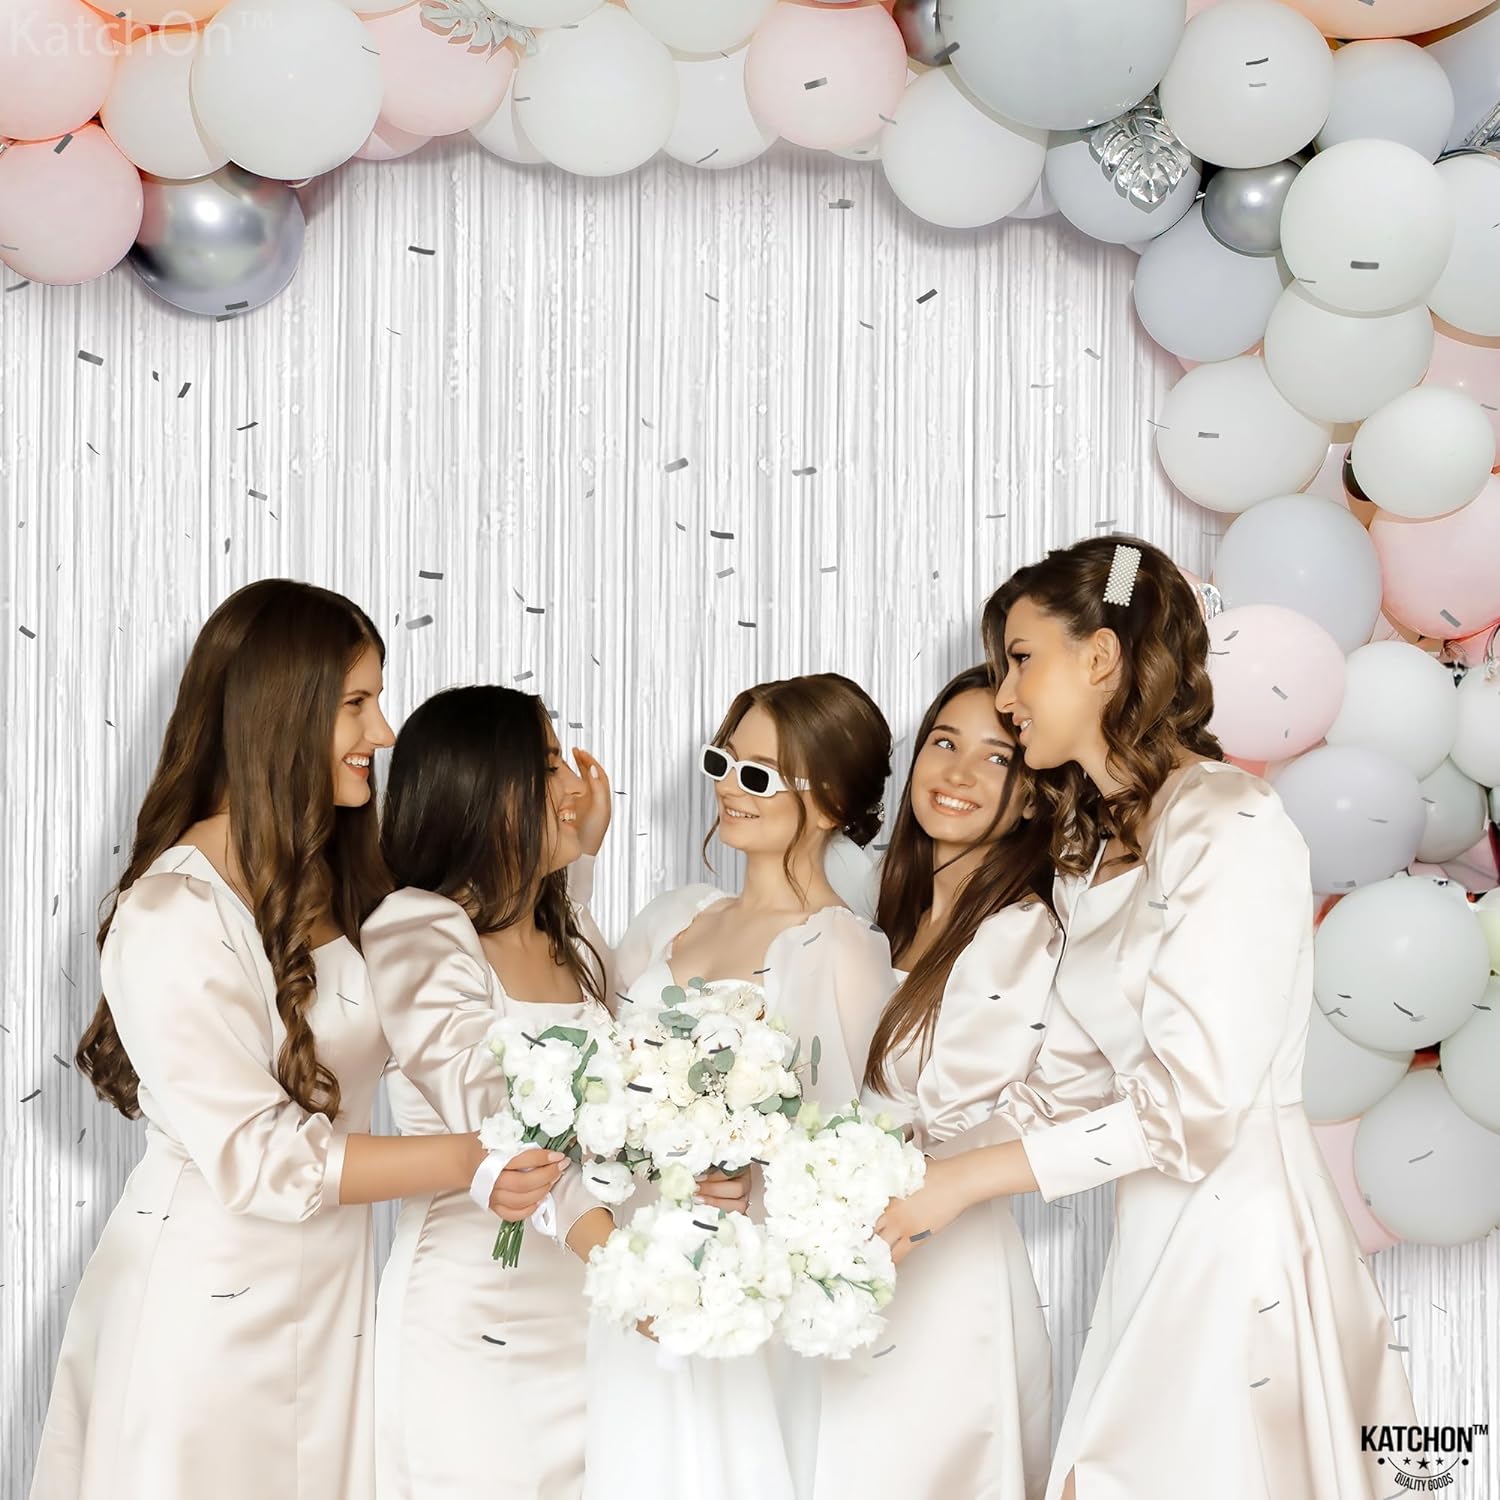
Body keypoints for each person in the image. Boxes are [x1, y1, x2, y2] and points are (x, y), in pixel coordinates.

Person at [875, 537, 1417, 1500]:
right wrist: (901, 1181)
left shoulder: (1229, 822)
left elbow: (1194, 1109)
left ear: (1100, 657)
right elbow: (1060, 1089)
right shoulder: (1088, 853)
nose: (1006, 694)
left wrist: (959, 1187)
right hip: (1153, 1236)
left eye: (1021, 659)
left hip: (1240, 1240)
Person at [29, 581, 560, 1500]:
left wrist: (566, 850)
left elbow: (476, 979)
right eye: (357, 703)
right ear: (280, 710)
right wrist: (470, 1158)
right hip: (209, 1311)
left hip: (336, 1303)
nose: (383, 732)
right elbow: (261, 1158)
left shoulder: (343, 880)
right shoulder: (173, 913)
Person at [584, 673, 895, 1500]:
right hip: (639, 1259)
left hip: (737, 1283)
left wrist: (749, 1171)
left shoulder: (838, 949)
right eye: (721, 761)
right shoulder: (678, 915)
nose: (729, 786)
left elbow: (845, 1153)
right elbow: (591, 1051)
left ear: (830, 803)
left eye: (757, 775)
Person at [361, 685, 621, 1499]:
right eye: (547, 767)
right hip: (477, 1316)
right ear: (481, 787)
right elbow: (500, 1117)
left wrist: (577, 850)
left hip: (582, 1308)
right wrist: (620, 1262)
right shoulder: (418, 927)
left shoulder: (571, 937)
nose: (574, 784)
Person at [816, 666, 1054, 1500]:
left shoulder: (1018, 930)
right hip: (838, 1244)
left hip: (935, 1252)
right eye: (944, 743)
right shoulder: (881, 903)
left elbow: (973, 1116)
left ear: (1032, 796)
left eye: (997, 758)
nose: (958, 773)